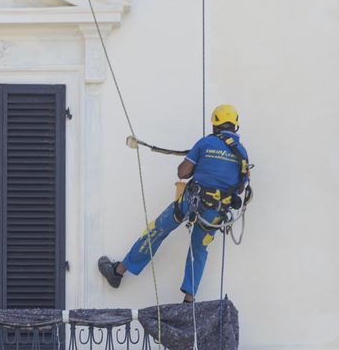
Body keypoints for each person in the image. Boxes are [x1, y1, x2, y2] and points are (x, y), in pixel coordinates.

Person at [98, 104, 251, 302]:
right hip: (215, 213)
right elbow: (240, 188)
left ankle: (117, 272)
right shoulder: (242, 154)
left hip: (190, 203)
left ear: (214, 124)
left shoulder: (205, 143)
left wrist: (200, 164)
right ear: (235, 126)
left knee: (157, 230)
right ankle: (189, 300)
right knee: (199, 250)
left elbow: (182, 172)